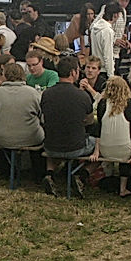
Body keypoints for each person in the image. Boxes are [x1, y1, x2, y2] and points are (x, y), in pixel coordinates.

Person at [41, 54, 99, 196]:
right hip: (75, 147)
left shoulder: (46, 94)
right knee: (101, 146)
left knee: (54, 134)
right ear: (73, 72)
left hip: (50, 146)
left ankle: (50, 174)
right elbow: (90, 121)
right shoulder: (82, 96)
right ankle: (82, 175)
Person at [0, 61, 43, 153]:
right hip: (31, 138)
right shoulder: (34, 93)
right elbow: (41, 115)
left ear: (5, 75)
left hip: (0, 138)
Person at [96, 76, 131, 197]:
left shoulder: (102, 104)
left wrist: (97, 151)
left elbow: (99, 129)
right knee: (125, 152)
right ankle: (123, 188)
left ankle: (108, 177)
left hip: (105, 149)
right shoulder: (130, 104)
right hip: (124, 150)